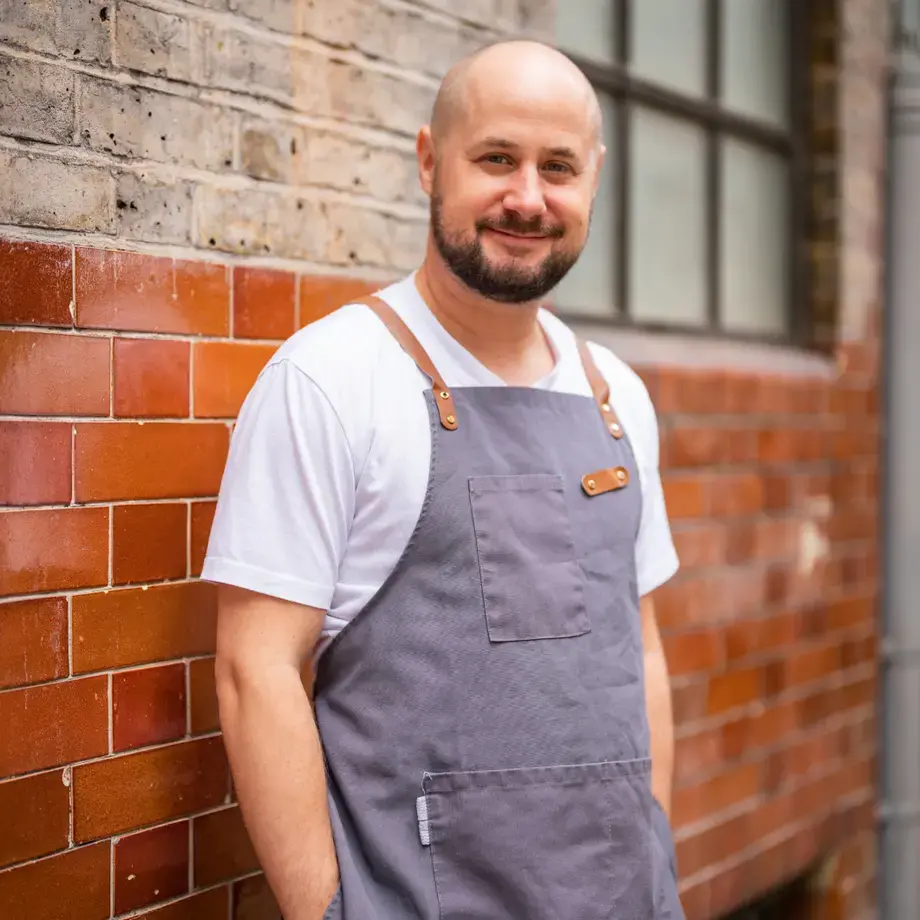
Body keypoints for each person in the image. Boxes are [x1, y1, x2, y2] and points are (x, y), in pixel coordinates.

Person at [203, 39, 683, 920]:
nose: (527, 198)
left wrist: (655, 854)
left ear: (596, 180)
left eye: (559, 167)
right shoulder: (332, 377)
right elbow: (253, 669)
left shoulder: (619, 397)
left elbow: (641, 648)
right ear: (431, 160)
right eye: (496, 158)